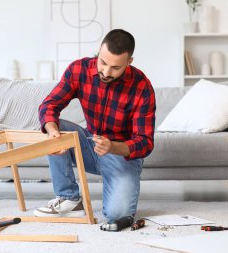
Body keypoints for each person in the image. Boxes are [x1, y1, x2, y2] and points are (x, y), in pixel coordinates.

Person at [35, 29, 156, 225]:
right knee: (55, 126)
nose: (106, 72)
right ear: (99, 51)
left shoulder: (141, 86)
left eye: (115, 68)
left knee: (117, 216)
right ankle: (69, 199)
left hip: (120, 154)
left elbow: (145, 143)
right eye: (103, 62)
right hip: (90, 145)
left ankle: (114, 193)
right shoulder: (79, 70)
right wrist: (53, 132)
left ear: (129, 62)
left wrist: (112, 147)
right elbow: (48, 106)